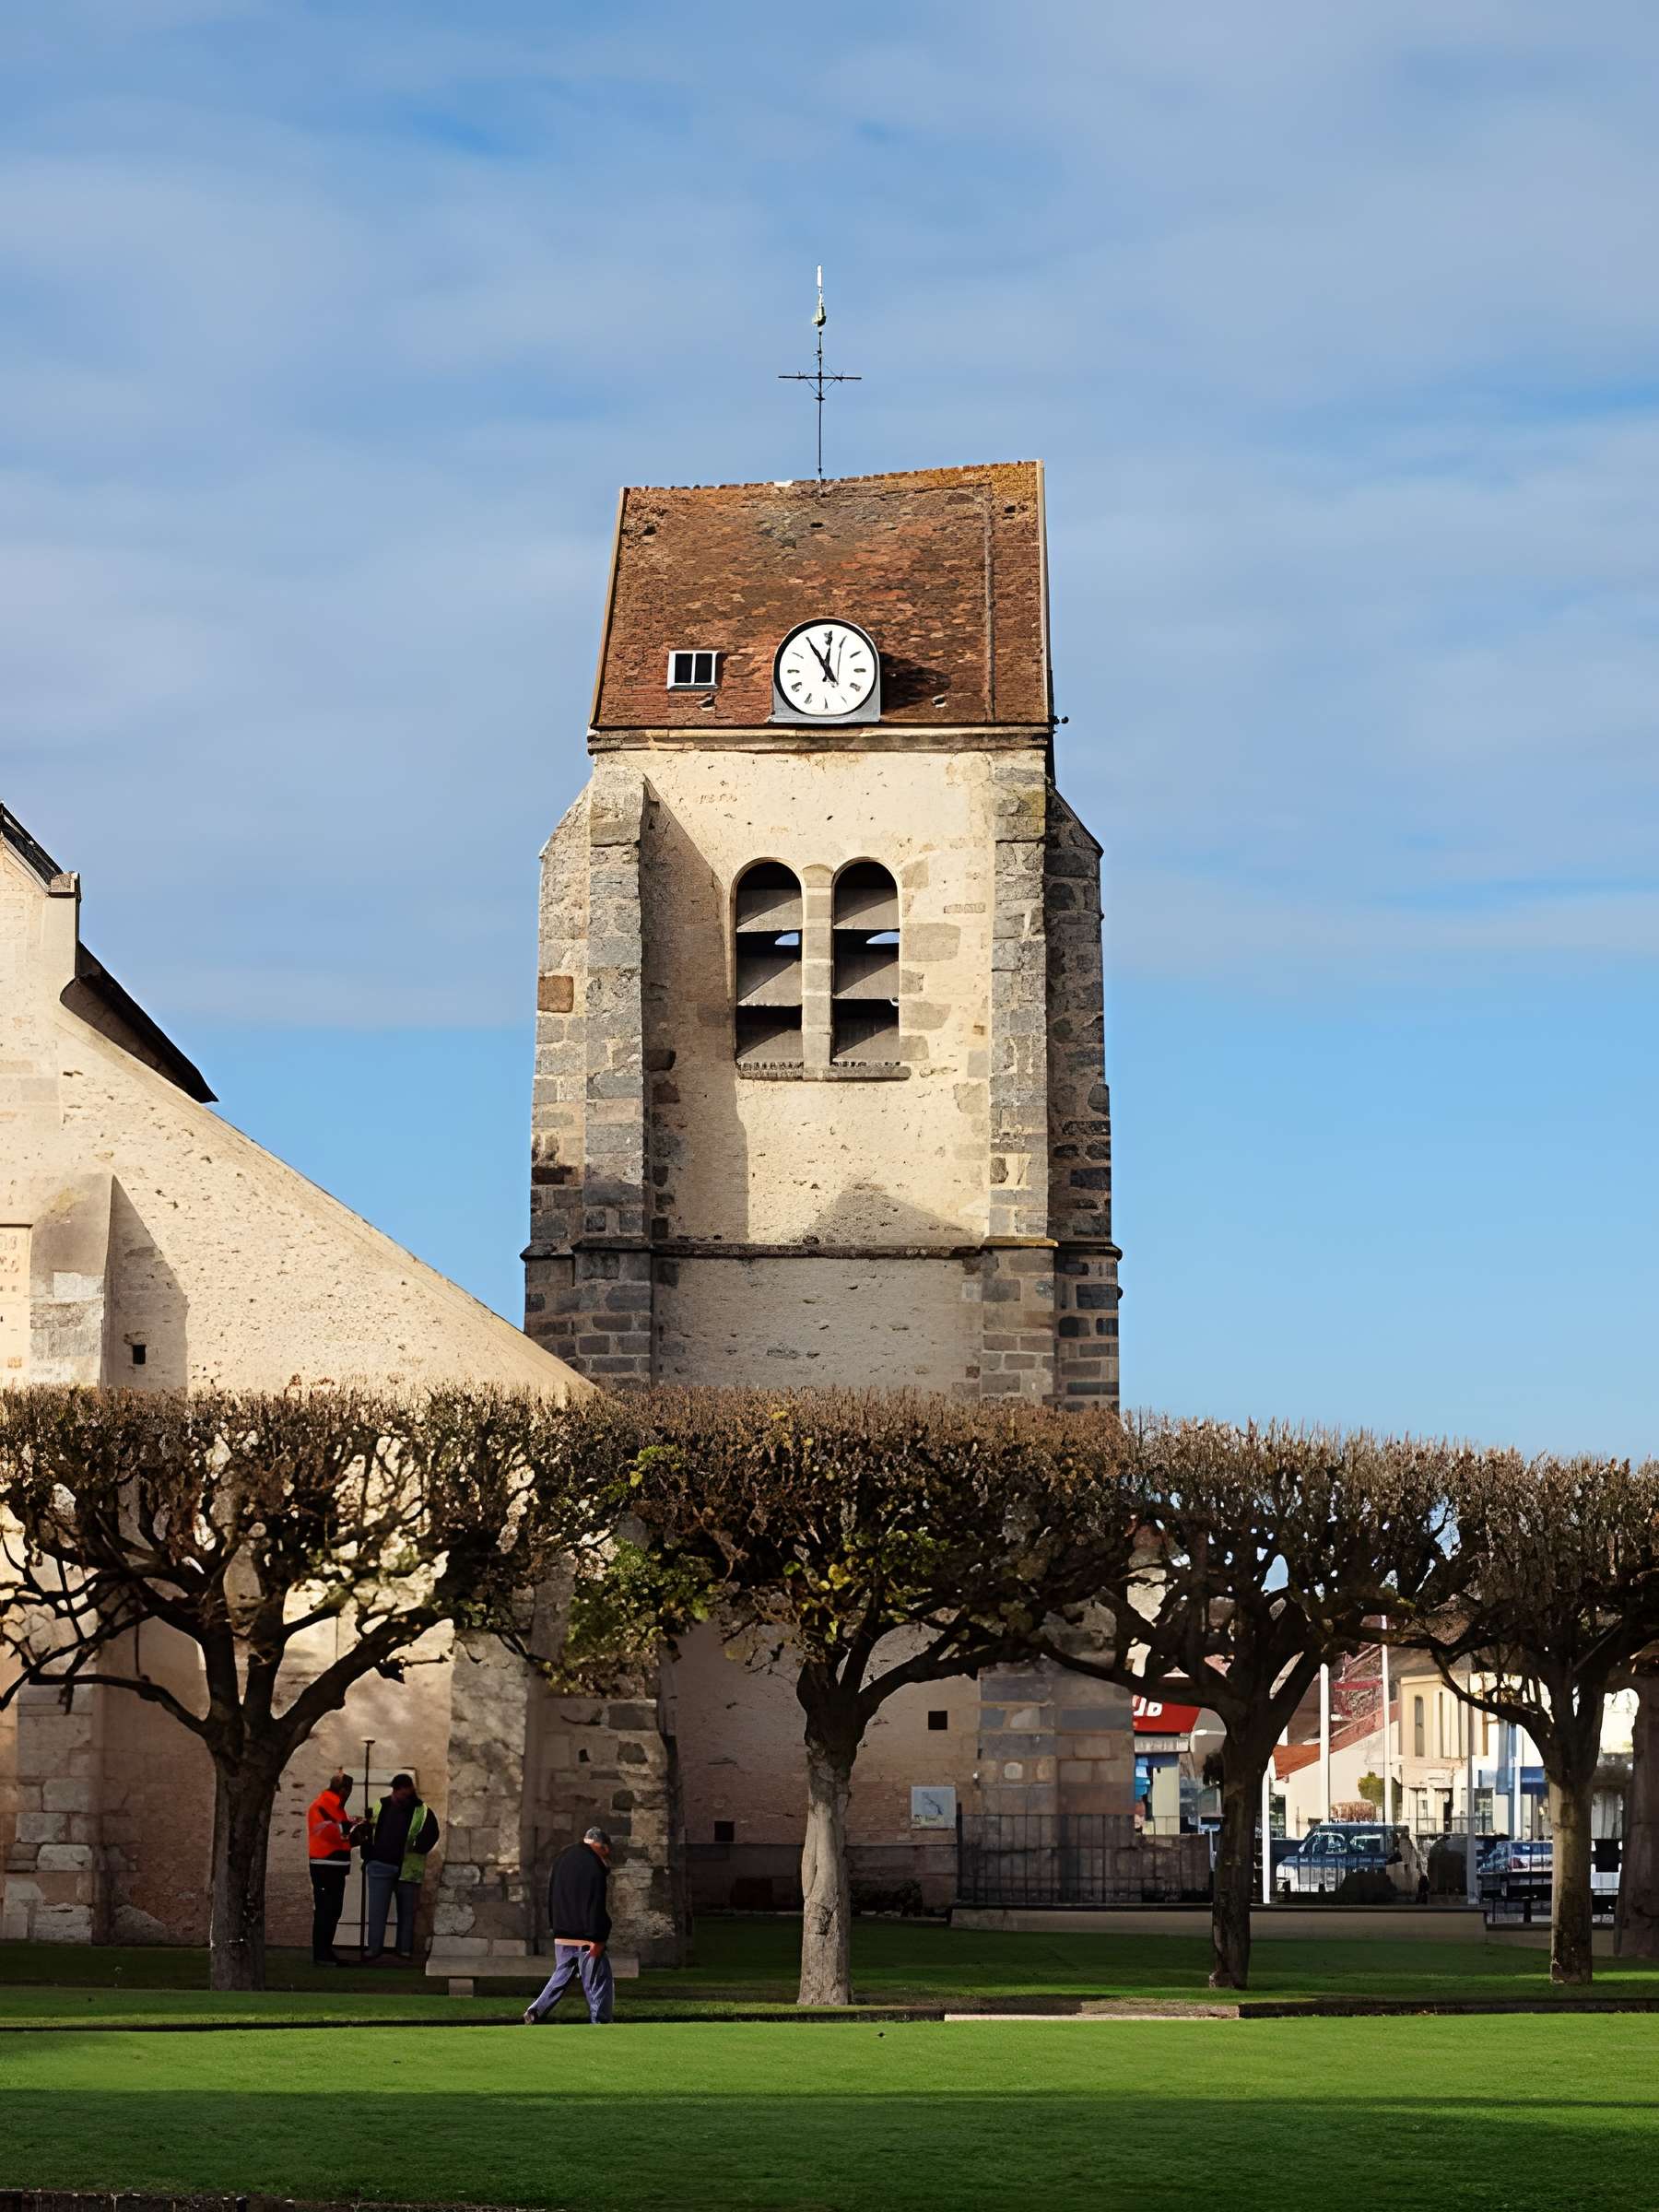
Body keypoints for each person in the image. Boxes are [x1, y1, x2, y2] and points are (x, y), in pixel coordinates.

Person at [524, 1826, 615, 2025]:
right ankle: (601, 2022)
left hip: (563, 1932)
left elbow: (553, 1895)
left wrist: (555, 1926)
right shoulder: (594, 1865)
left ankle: (535, 2011)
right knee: (598, 1982)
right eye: (606, 1852)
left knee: (561, 1976)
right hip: (585, 1935)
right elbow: (595, 1904)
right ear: (601, 1846)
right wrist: (597, 1937)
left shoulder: (563, 1858)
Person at [360, 1771, 440, 1963]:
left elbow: (432, 1833)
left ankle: (404, 1949)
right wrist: (368, 1856)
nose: (406, 1798)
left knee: (407, 1913)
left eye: (408, 1794)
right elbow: (367, 1831)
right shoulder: (381, 1805)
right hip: (380, 1865)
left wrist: (417, 1847)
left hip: (408, 1869)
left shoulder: (422, 1810)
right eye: (403, 1795)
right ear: (395, 1791)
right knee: (377, 1912)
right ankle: (374, 1948)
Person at [305, 1768, 358, 1967]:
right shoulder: (321, 1806)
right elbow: (330, 1833)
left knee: (334, 1909)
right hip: (324, 1864)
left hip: (336, 1865)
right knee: (325, 1909)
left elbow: (342, 1835)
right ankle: (321, 1954)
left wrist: (352, 1831)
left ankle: (326, 1950)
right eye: (349, 1790)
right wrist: (350, 1830)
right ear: (344, 1790)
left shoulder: (337, 1808)